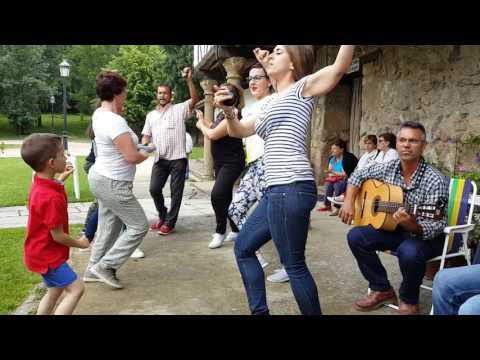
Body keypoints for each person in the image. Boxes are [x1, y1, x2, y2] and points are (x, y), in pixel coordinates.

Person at [216, 45, 355, 315]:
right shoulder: (268, 103)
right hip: (275, 189)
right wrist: (230, 110)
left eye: (279, 51)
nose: (271, 54)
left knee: (294, 265)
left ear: (293, 63)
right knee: (243, 249)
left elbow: (338, 68)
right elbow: (241, 130)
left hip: (290, 186)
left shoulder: (302, 88)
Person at [339, 121, 449, 315]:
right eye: (402, 140)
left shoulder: (434, 179)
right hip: (394, 229)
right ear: (396, 144)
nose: (406, 145)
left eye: (413, 141)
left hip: (425, 237)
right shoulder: (388, 167)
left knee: (409, 250)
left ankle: (408, 299)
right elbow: (357, 174)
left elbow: (436, 223)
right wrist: (349, 201)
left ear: (423, 146)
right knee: (356, 236)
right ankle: (382, 289)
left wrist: (412, 225)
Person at [83, 70, 150, 289]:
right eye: (124, 91)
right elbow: (131, 157)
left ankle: (92, 269)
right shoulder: (114, 121)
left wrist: (139, 147)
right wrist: (146, 153)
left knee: (108, 226)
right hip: (113, 182)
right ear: (117, 93)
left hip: (100, 177)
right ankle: (106, 266)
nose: (126, 95)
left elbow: (119, 148)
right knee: (139, 225)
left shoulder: (99, 115)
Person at [20, 133, 89, 315]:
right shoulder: (50, 198)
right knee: (76, 289)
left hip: (39, 252)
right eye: (62, 154)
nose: (65, 157)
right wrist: (80, 243)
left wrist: (61, 179)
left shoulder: (39, 183)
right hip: (47, 257)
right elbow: (57, 236)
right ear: (51, 163)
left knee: (55, 290)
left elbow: (48, 190)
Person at [227, 63, 275, 269]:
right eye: (250, 78)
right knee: (235, 208)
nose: (252, 82)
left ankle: (288, 265)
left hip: (269, 163)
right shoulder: (248, 109)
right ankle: (255, 253)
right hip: (254, 165)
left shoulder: (274, 100)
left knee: (275, 217)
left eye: (258, 77)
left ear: (270, 80)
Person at [142, 67, 200, 235]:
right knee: (154, 189)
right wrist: (145, 145)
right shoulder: (151, 115)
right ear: (156, 95)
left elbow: (194, 99)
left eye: (165, 93)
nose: (162, 96)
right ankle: (163, 216)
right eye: (159, 93)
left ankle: (170, 223)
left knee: (176, 193)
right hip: (160, 159)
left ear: (170, 95)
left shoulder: (180, 109)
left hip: (178, 159)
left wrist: (189, 80)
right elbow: (146, 135)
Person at [195, 83, 245, 249]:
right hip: (221, 162)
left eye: (222, 93)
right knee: (225, 196)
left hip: (233, 161)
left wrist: (201, 126)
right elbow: (212, 126)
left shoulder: (234, 113)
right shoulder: (220, 115)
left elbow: (212, 134)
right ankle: (236, 230)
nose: (217, 95)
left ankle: (220, 231)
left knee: (217, 195)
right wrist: (203, 120)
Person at [317, 139, 358, 216]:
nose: (332, 151)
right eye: (332, 148)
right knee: (328, 184)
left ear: (342, 149)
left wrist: (333, 173)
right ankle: (327, 205)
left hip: (348, 180)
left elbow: (345, 175)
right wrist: (333, 173)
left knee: (338, 185)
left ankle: (337, 208)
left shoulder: (347, 159)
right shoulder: (332, 158)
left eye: (335, 148)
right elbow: (330, 172)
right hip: (336, 178)